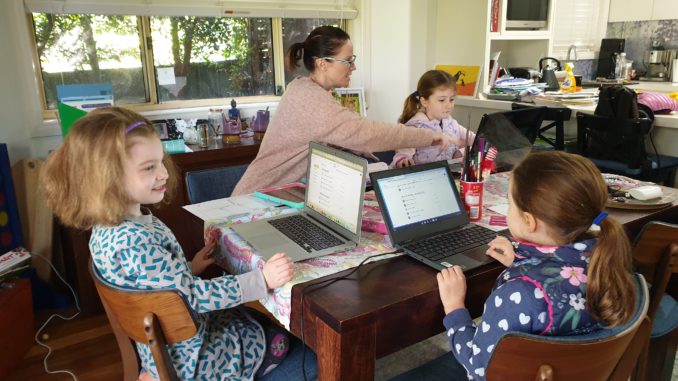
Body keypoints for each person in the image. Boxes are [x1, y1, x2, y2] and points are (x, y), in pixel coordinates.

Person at [41, 107, 318, 381]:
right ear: (106, 179)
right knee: (294, 345)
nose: (163, 173)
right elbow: (192, 298)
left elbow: (154, 283)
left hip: (162, 346)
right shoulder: (132, 243)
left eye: (160, 161)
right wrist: (262, 279)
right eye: (149, 168)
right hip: (195, 358)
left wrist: (191, 266)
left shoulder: (109, 226)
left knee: (257, 320)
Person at [393, 151, 636, 381]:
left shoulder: (520, 294)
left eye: (510, 205)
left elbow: (479, 368)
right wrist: (523, 261)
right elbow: (558, 278)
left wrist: (455, 307)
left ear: (529, 222)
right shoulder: (606, 256)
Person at [232, 26, 462, 195]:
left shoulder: (307, 88)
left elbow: (340, 137)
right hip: (257, 200)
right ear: (323, 64)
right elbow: (366, 132)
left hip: (282, 196)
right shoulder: (309, 99)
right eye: (348, 61)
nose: (354, 67)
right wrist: (431, 137)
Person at [392, 70, 474, 168]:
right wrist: (402, 161)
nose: (449, 105)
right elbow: (402, 157)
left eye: (451, 99)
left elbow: (476, 141)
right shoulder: (414, 127)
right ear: (424, 102)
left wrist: (460, 152)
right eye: (442, 100)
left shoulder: (451, 123)